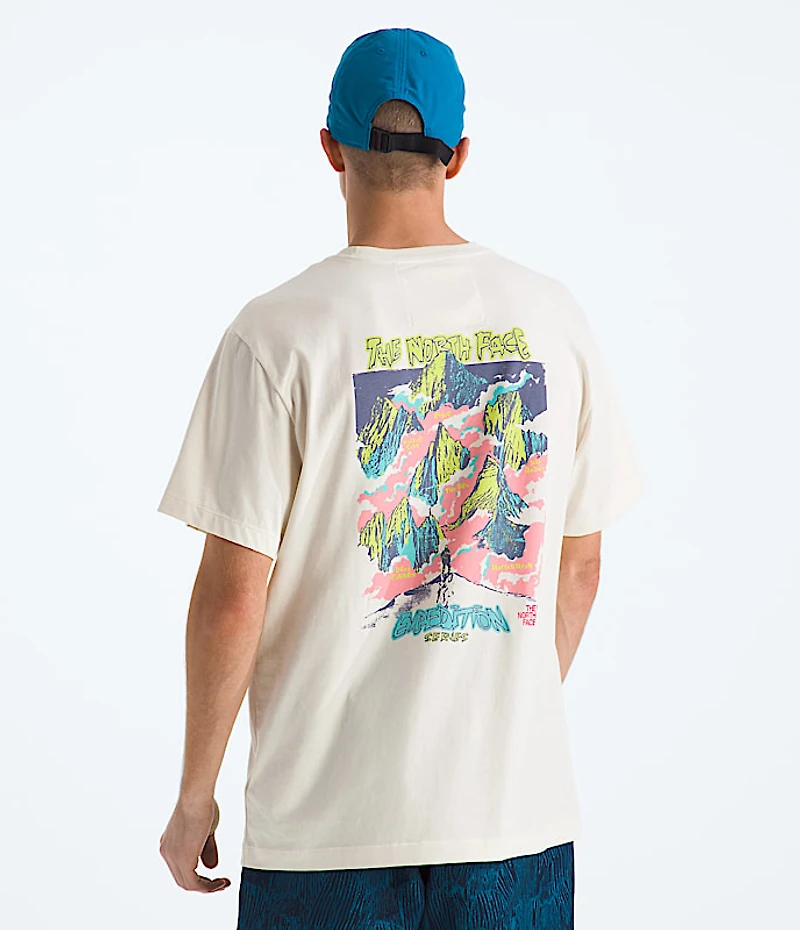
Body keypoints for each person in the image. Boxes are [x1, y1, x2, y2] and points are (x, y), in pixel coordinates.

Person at [156, 26, 644, 930]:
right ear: (457, 156)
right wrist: (499, 724)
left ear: (329, 149)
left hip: (325, 834)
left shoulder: (277, 334)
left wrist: (195, 796)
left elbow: (232, 596)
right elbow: (580, 567)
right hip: (513, 825)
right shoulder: (553, 318)